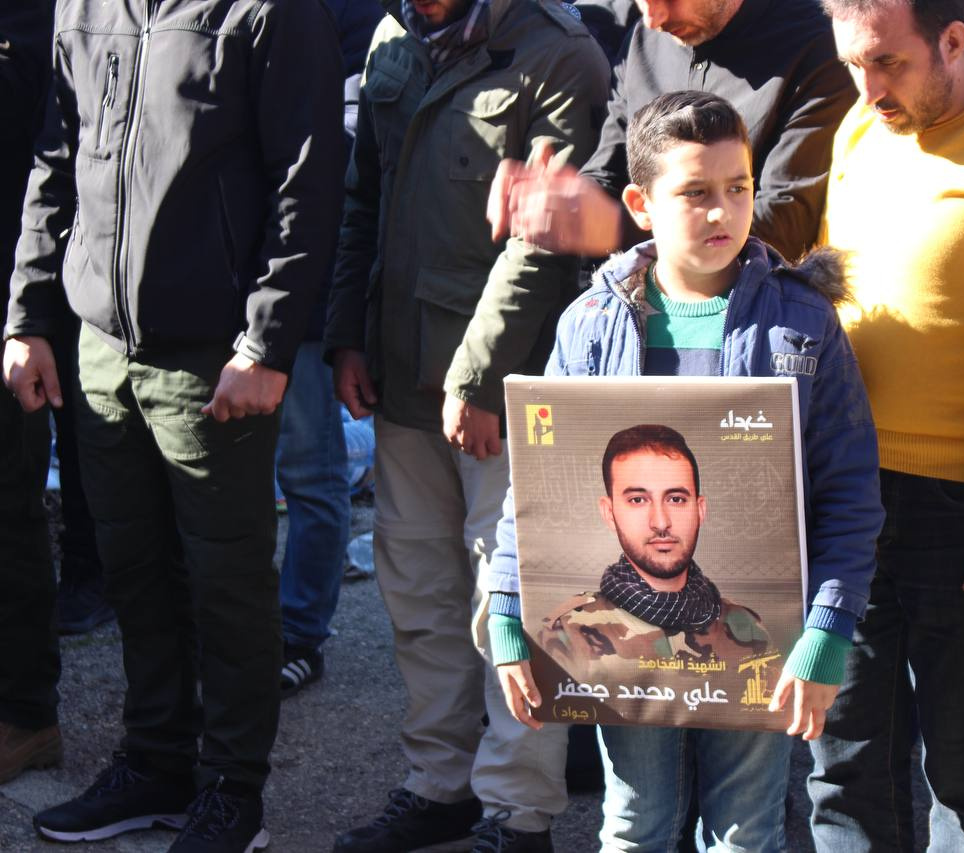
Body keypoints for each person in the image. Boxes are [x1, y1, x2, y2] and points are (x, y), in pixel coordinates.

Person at [485, 90, 884, 852]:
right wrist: (508, 608)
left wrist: (828, 629)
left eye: (738, 188)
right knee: (635, 822)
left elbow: (848, 494)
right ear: (640, 204)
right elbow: (534, 490)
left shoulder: (802, 324)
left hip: (762, 639)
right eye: (695, 192)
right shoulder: (590, 324)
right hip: (622, 647)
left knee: (744, 831)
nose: (722, 211)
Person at [2, 0, 345, 848]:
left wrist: (266, 343)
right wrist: (28, 315)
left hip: (214, 356)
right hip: (100, 347)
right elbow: (57, 158)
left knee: (226, 580)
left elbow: (307, 178)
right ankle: (156, 760)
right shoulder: (85, 6)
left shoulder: (271, 12)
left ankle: (233, 789)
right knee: (132, 568)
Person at [323, 0, 609, 850]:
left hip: (503, 391)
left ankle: (519, 810)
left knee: (512, 603)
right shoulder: (391, 38)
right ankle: (437, 783)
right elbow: (361, 198)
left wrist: (481, 376)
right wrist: (347, 333)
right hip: (401, 371)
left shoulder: (559, 52)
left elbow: (546, 241)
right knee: (419, 594)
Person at [809, 2, 964, 850]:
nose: (867, 87)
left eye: (887, 63)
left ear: (954, 40)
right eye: (852, 65)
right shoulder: (860, 127)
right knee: (842, 768)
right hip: (849, 491)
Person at [487, 0, 856, 262]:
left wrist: (618, 228)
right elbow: (611, 168)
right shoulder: (643, 40)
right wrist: (563, 201)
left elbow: (785, 228)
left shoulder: (819, 47)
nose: (653, 17)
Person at [275, 0, 385, 701]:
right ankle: (240, 631)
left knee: (311, 473)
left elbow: (354, 139)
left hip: (310, 285)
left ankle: (299, 632)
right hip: (231, 283)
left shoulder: (356, 17)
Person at [539, 425, 771, 677]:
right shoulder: (567, 630)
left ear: (700, 510)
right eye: (638, 500)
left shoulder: (746, 625)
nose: (661, 523)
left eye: (676, 499)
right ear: (609, 513)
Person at [0, 0, 61, 786]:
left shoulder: (38, 20)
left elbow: (51, 169)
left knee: (9, 511)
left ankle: (26, 714)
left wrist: (27, 313)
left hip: (13, 304)